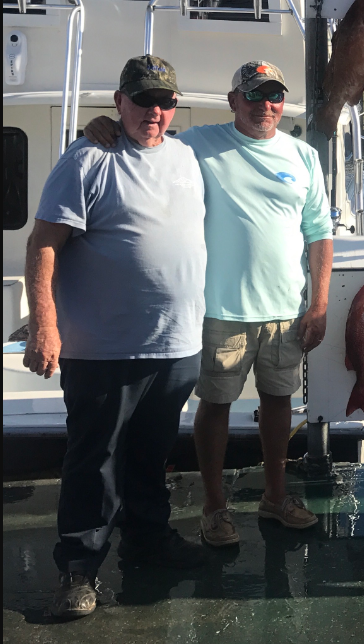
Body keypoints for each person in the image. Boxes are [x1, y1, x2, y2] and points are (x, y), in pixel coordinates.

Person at [83, 61, 334, 548]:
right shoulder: (198, 144)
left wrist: (318, 302)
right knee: (214, 406)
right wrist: (107, 125)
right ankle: (215, 507)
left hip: (285, 310)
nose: (266, 105)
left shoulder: (303, 156)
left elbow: (319, 233)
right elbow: (147, 134)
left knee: (279, 403)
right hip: (220, 311)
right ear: (233, 100)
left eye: (274, 95)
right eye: (255, 95)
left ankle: (276, 497)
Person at [25, 56, 208, 618]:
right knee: (94, 459)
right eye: (144, 99)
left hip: (176, 344)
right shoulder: (87, 158)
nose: (155, 111)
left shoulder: (186, 155)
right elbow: (43, 244)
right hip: (103, 348)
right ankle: (78, 570)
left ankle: (148, 539)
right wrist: (45, 324)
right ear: (120, 101)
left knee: (152, 456)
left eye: (165, 101)